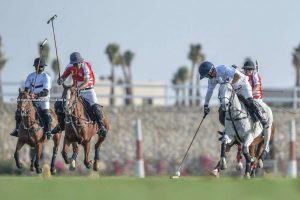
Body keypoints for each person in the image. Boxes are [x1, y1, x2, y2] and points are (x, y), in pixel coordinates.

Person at [53, 52, 107, 137]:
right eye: (74, 64)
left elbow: (86, 82)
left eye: (77, 63)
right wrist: (60, 80)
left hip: (88, 90)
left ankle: (101, 126)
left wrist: (78, 88)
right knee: (59, 104)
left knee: (96, 107)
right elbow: (64, 76)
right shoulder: (70, 67)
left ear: (81, 62)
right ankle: (61, 125)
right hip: (75, 90)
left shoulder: (86, 66)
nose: (75, 66)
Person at [198, 61, 268, 128]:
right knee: (224, 105)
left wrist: (229, 85)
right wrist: (206, 105)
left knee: (249, 101)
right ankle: (228, 128)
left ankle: (262, 119)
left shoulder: (222, 68)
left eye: (206, 75)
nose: (207, 77)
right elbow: (209, 92)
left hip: (242, 84)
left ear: (210, 71)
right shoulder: (211, 80)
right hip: (232, 88)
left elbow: (238, 76)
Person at [10, 58, 52, 139]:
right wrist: (27, 95)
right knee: (19, 111)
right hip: (31, 98)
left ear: (44, 67)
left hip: (43, 98)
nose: (39, 68)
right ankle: (17, 129)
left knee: (46, 113)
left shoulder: (46, 77)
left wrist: (36, 95)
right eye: (38, 66)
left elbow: (46, 91)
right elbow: (26, 89)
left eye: (41, 66)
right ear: (35, 67)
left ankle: (48, 131)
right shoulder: (31, 76)